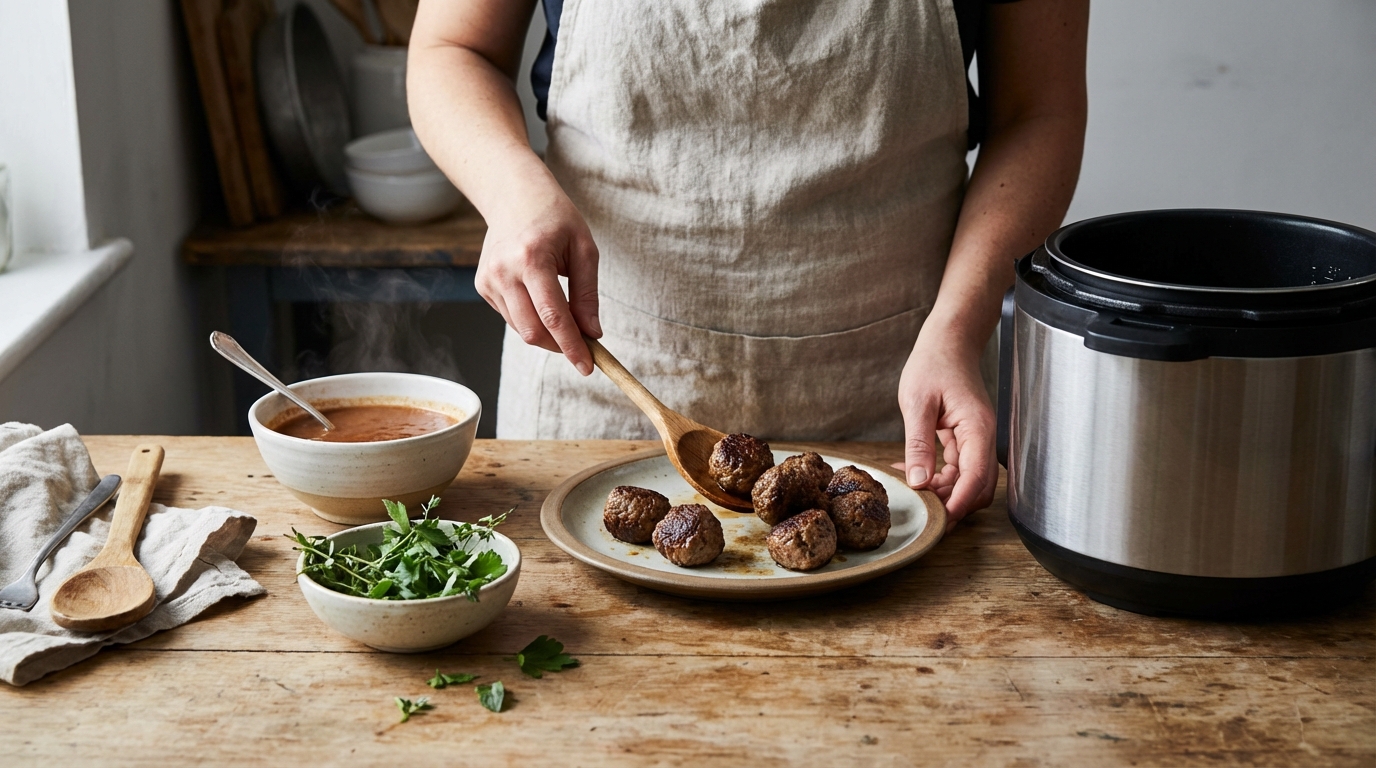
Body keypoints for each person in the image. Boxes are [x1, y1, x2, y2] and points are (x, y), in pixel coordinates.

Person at [409, 0, 1088, 529]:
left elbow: (1039, 109)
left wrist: (960, 328)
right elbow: (452, 48)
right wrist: (511, 191)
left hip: (901, 394)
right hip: (604, 383)